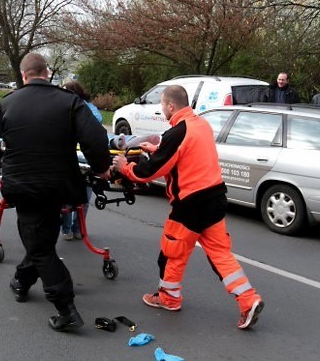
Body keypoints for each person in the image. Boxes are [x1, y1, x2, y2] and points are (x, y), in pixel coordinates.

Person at [112, 85, 265, 330]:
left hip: (191, 204)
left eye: (162, 105)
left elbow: (149, 172)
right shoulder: (200, 124)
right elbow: (185, 154)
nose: (162, 110)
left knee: (172, 253)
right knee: (220, 255)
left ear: (171, 106)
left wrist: (124, 168)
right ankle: (249, 300)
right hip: (215, 198)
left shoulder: (177, 132)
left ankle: (169, 298)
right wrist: (159, 150)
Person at [0, 53, 111, 332]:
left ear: (24, 75)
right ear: (46, 72)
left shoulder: (9, 102)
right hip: (58, 185)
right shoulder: (70, 102)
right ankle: (21, 281)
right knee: (41, 238)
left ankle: (66, 308)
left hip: (23, 185)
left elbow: (0, 130)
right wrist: (102, 168)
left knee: (40, 245)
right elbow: (95, 138)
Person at [60, 80, 103, 241]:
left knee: (68, 198)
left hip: (76, 158)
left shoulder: (78, 109)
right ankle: (76, 229)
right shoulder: (89, 109)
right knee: (83, 197)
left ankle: (70, 229)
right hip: (84, 157)